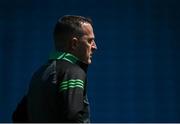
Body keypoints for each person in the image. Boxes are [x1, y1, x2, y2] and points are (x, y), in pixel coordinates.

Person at [12, 15, 97, 123]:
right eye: (90, 41)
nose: (94, 47)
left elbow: (18, 117)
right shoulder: (73, 72)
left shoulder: (39, 74)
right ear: (74, 44)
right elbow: (74, 117)